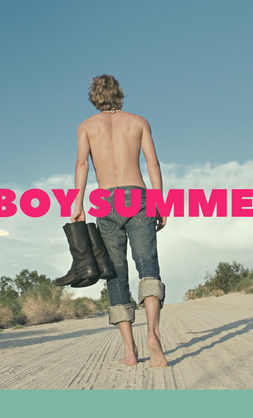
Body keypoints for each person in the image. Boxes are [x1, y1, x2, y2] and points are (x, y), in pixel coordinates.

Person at [71, 74, 168, 368]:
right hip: (137, 196)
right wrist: (160, 201)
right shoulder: (138, 122)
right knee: (148, 266)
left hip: (104, 201)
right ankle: (153, 335)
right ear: (120, 94)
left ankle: (130, 352)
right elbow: (152, 163)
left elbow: (82, 164)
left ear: (94, 97)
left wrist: (77, 204)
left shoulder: (86, 127)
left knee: (115, 275)